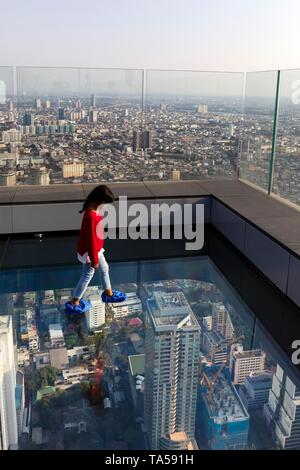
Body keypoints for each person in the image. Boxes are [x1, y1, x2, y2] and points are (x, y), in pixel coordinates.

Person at [65, 185, 126, 313]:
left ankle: (109, 293)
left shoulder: (91, 211)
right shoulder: (91, 216)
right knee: (87, 276)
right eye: (105, 203)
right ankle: (75, 301)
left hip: (96, 250)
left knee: (104, 269)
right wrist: (94, 259)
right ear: (99, 201)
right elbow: (91, 240)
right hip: (92, 252)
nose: (105, 206)